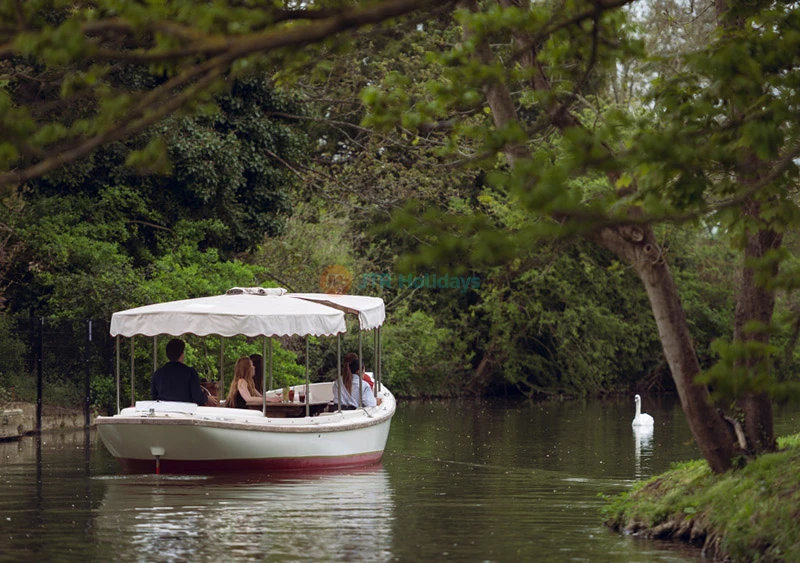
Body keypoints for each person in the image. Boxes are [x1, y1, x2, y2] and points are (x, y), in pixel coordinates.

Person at [151, 338, 218, 406]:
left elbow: (154, 398)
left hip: (164, 413)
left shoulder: (157, 374)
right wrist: (207, 399)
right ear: (182, 354)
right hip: (185, 413)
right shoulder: (190, 373)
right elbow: (197, 397)